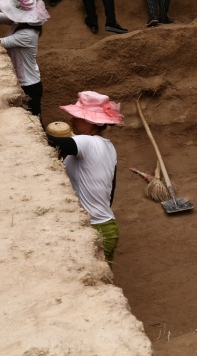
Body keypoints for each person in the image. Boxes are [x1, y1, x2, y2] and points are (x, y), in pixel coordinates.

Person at [48, 91, 124, 266]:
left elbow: (51, 143)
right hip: (106, 226)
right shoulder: (108, 147)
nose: (72, 120)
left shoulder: (87, 143)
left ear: (90, 122)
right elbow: (110, 190)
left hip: (95, 228)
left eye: (77, 116)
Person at [0, 0, 50, 119]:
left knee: (33, 121)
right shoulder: (21, 23)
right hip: (27, 83)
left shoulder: (27, 34)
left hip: (29, 86)